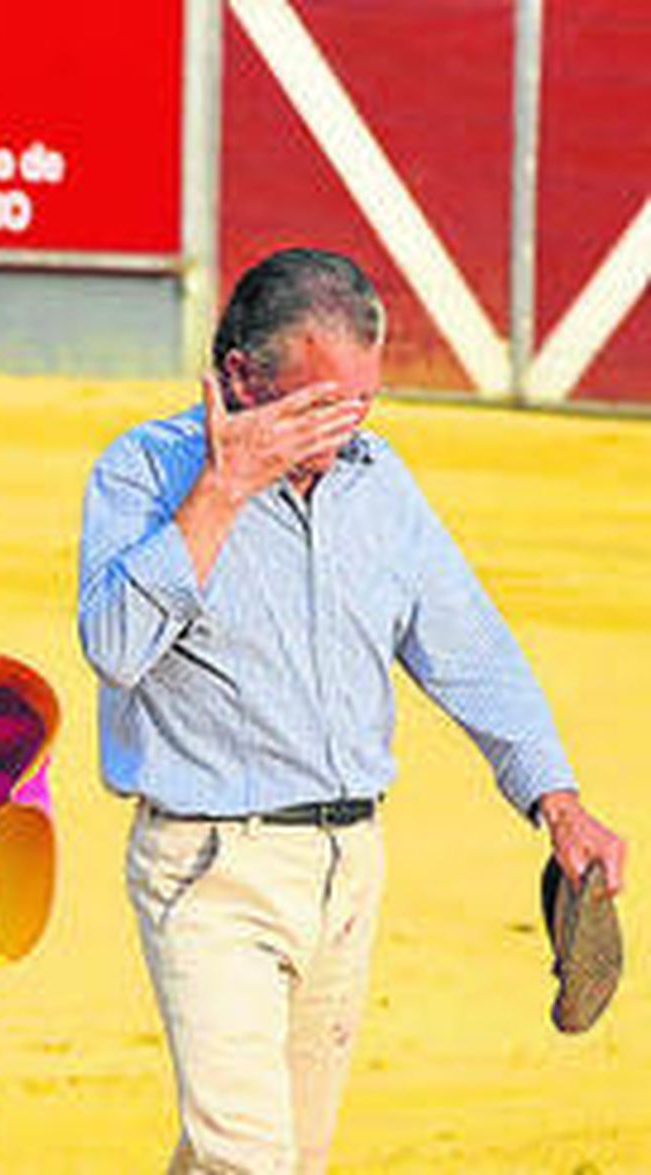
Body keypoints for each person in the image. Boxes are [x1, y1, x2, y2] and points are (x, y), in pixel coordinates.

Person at [76, 247, 627, 1173]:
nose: (346, 429)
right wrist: (223, 489)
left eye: (362, 402)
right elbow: (116, 648)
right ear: (243, 376)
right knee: (249, 1159)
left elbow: (469, 646)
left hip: (348, 866)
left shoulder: (379, 482)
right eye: (320, 405)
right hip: (209, 869)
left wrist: (557, 800)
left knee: (280, 1154)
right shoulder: (143, 472)